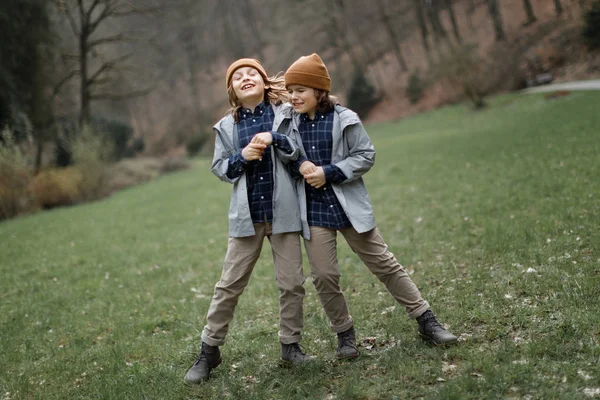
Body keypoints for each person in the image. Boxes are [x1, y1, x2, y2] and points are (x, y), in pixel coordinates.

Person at [284, 53, 458, 360]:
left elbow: (365, 155)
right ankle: (345, 336)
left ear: (318, 91)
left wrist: (329, 172)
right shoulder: (290, 123)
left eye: (300, 89)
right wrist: (300, 163)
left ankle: (426, 320)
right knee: (324, 277)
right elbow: (285, 153)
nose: (293, 96)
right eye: (291, 90)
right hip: (313, 211)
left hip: (348, 206)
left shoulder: (344, 118)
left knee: (384, 264)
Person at [184, 58, 310, 385]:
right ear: (233, 91)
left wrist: (274, 140)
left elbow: (298, 151)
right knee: (228, 286)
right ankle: (209, 350)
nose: (245, 78)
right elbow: (220, 169)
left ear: (264, 81)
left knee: (292, 283)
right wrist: (242, 157)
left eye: (251, 73)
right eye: (237, 77)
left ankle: (290, 345)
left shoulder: (284, 113)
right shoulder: (227, 127)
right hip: (247, 217)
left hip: (283, 214)